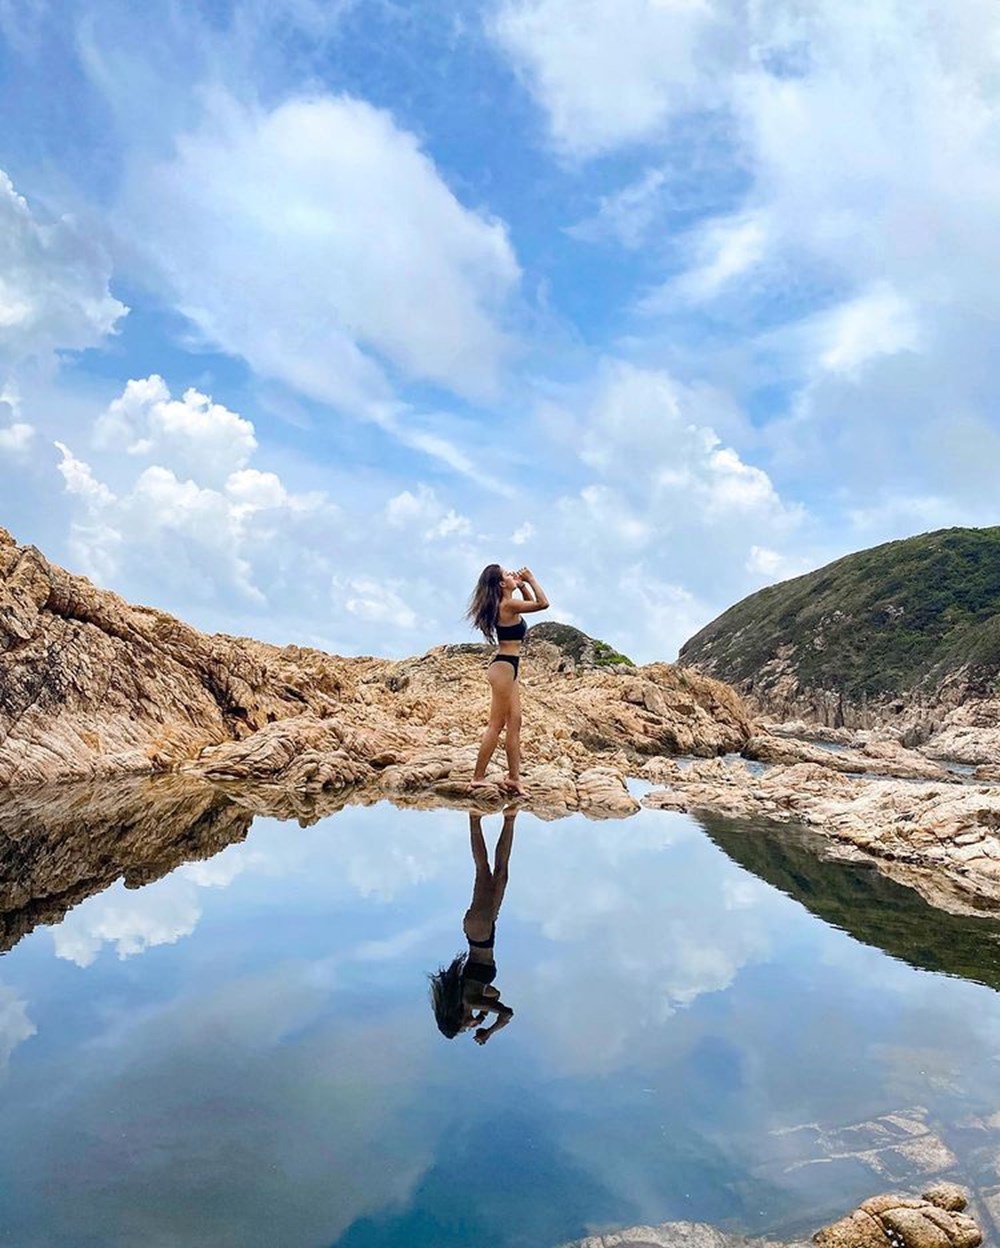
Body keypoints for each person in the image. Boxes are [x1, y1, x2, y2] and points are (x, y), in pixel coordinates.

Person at [429, 809, 517, 1044]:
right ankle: (508, 818)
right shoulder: (474, 998)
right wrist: (482, 1015)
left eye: (463, 1027)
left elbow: (507, 1013)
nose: (469, 1028)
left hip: (480, 931)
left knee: (486, 870)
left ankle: (476, 818)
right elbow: (495, 994)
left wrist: (489, 1032)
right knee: (499, 874)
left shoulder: (471, 1000)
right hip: (482, 929)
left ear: (457, 1018)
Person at [466, 564, 549, 796]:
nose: (512, 574)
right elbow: (542, 604)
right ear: (502, 584)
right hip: (503, 666)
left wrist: (522, 585)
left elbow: (530, 603)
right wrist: (531, 579)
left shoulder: (510, 605)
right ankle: (477, 777)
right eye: (507, 575)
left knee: (516, 721)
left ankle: (513, 779)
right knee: (496, 724)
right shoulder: (507, 605)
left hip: (510, 666)